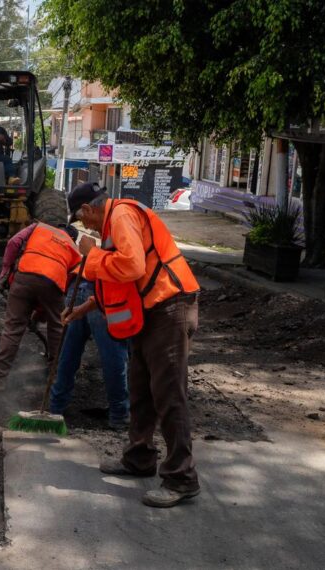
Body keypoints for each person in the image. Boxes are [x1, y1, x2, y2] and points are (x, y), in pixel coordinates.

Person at [64, 182, 201, 508]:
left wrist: (92, 257)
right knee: (140, 388)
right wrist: (82, 309)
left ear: (88, 210)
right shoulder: (114, 223)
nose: (87, 228)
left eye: (83, 221)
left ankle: (182, 477)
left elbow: (132, 267)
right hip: (153, 310)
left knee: (169, 393)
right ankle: (140, 458)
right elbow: (120, 282)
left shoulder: (122, 215)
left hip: (170, 306)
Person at [0, 218, 82, 390]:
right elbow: (63, 286)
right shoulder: (75, 250)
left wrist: (5, 271)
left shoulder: (39, 227)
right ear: (73, 238)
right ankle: (56, 376)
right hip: (53, 283)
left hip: (24, 277)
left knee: (12, 329)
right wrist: (44, 312)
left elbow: (13, 243)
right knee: (57, 328)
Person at [49, 276, 130, 428]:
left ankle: (56, 407)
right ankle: (119, 414)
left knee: (69, 352)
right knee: (113, 354)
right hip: (103, 295)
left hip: (77, 288)